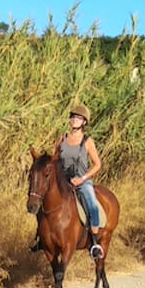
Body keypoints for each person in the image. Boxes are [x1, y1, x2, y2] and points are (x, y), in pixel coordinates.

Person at [60, 104, 105, 259]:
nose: (74, 120)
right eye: (73, 117)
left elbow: (97, 164)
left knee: (93, 207)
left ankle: (94, 244)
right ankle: (40, 238)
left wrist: (83, 179)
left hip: (82, 181)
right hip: (64, 182)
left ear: (84, 122)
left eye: (78, 118)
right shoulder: (62, 139)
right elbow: (55, 160)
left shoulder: (87, 142)